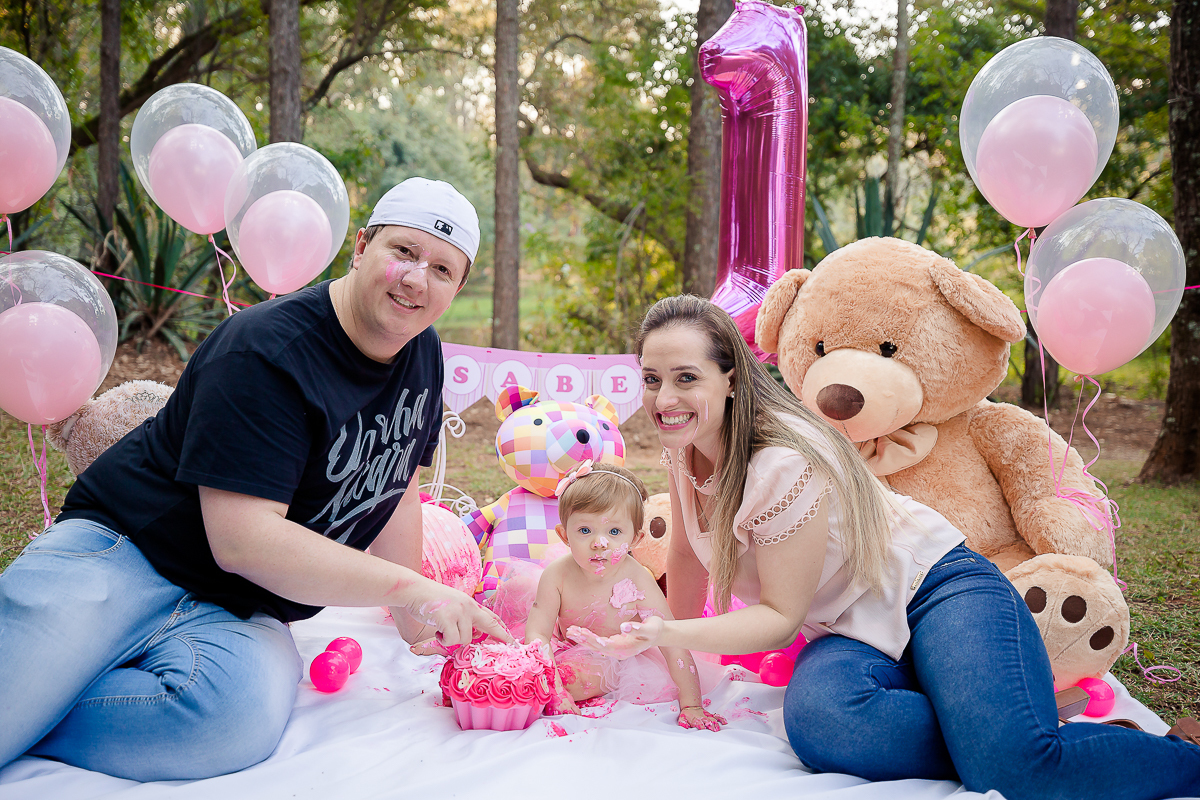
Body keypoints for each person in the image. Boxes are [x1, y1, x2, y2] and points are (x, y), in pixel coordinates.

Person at [577, 294, 1200, 800]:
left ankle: (1167, 755)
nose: (664, 399)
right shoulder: (684, 450)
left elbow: (778, 622)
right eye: (652, 379)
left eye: (686, 378)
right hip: (851, 627)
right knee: (823, 724)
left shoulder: (780, 461)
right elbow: (686, 555)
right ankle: (999, 717)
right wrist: (683, 672)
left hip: (940, 590)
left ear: (732, 379)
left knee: (1014, 772)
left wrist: (665, 635)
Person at [0, 177, 510, 782]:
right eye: (403, 251)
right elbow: (242, 540)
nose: (416, 279)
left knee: (228, 724)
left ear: (457, 285)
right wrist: (408, 589)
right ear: (362, 245)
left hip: (241, 607)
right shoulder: (266, 350)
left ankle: (50, 703)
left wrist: (418, 629)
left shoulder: (423, 353)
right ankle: (35, 695)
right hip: (127, 552)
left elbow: (396, 483)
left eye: (442, 269)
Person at [520, 463, 725, 730]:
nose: (599, 543)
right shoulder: (557, 575)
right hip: (567, 648)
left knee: (577, 677)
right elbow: (537, 635)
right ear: (564, 535)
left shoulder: (637, 579)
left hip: (618, 656)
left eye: (614, 532)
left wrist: (692, 705)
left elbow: (671, 640)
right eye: (585, 530)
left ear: (636, 539)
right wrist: (555, 690)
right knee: (527, 671)